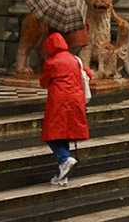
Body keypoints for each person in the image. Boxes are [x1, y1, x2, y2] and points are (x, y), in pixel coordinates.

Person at [39, 31, 90, 185]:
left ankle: (65, 159)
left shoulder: (51, 63)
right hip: (76, 100)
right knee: (65, 134)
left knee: (51, 135)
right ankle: (61, 176)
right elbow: (88, 74)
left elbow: (43, 82)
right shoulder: (76, 60)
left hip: (59, 102)